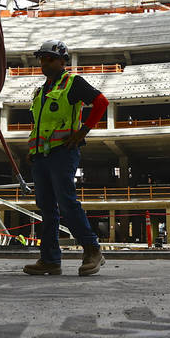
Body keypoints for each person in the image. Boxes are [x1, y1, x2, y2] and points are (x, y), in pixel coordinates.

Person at [22, 40, 109, 277]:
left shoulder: (73, 83)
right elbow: (40, 126)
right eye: (42, 59)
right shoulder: (40, 91)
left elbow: (101, 103)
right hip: (41, 157)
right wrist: (33, 151)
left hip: (62, 153)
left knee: (67, 203)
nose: (44, 63)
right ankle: (50, 259)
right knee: (47, 209)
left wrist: (83, 132)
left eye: (49, 59)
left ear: (62, 61)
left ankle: (92, 250)